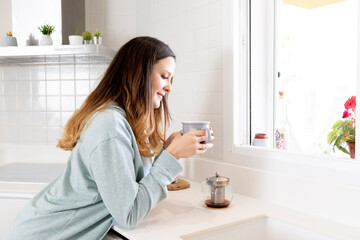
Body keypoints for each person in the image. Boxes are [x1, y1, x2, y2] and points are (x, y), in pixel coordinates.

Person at [2, 36, 214, 240]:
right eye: (164, 76)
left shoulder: (121, 120)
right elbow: (129, 213)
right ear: (141, 73)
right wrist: (172, 155)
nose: (169, 87)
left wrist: (166, 151)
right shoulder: (109, 125)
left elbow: (131, 190)